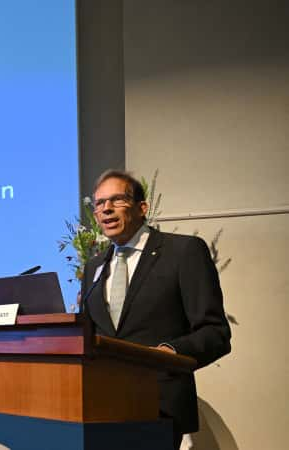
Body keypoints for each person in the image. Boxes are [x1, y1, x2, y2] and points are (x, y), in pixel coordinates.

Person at [81, 170, 231, 450]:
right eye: (99, 203)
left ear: (142, 208)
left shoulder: (183, 252)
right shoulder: (94, 267)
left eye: (117, 200)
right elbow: (88, 336)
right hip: (100, 408)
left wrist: (169, 352)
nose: (106, 209)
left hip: (159, 406)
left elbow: (216, 332)